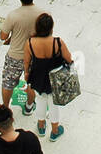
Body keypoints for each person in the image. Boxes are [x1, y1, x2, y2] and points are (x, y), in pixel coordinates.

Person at [24, 13, 73, 141]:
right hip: (55, 78)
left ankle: (41, 126)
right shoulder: (57, 42)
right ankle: (55, 130)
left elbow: (26, 62)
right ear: (51, 27)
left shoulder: (30, 42)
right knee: (53, 104)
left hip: (38, 76)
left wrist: (26, 74)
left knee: (40, 100)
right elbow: (69, 58)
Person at [0, 0, 43, 115]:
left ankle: (6, 109)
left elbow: (2, 36)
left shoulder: (13, 15)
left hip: (15, 55)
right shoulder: (42, 14)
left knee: (8, 83)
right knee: (31, 83)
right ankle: (29, 106)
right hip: (34, 55)